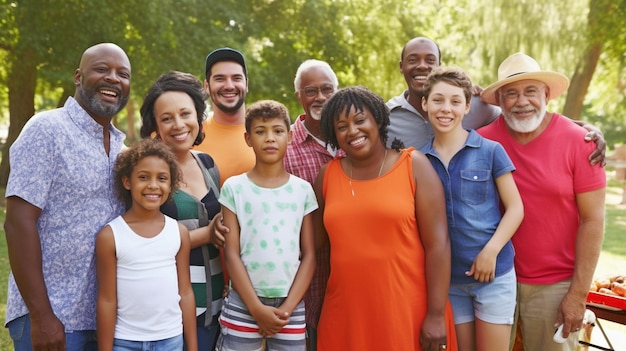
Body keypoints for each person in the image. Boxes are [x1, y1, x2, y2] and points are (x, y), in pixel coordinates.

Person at [3, 43, 130, 351]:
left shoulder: (123, 151)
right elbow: (18, 222)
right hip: (52, 316)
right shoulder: (47, 129)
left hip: (104, 320)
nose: (113, 78)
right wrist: (42, 316)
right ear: (78, 76)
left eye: (123, 74)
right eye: (102, 69)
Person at [477, 52, 606, 350]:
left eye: (531, 91)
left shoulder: (579, 142)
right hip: (493, 282)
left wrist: (577, 295)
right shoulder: (482, 142)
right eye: (511, 93)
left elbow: (593, 220)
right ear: (499, 100)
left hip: (556, 287)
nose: (522, 101)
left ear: (546, 94)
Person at [315, 86, 458, 351]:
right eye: (342, 126)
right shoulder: (327, 176)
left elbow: (438, 245)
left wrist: (436, 314)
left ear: (378, 120)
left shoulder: (413, 165)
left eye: (360, 120)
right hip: (346, 316)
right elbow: (309, 246)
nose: (353, 131)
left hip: (407, 311)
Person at [420, 67, 524, 351]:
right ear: (425, 103)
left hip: (494, 276)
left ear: (467, 107)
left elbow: (516, 208)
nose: (446, 109)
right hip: (448, 282)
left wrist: (490, 252)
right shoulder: (418, 160)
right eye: (438, 100)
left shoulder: (490, 151)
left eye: (455, 101)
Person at [387, 37, 606, 166]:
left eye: (430, 60)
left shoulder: (475, 106)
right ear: (401, 66)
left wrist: (581, 127)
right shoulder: (385, 116)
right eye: (413, 60)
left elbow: (523, 116)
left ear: (440, 65)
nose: (422, 66)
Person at [216, 100, 317, 351]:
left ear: (290, 136)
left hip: (290, 305)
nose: (269, 138)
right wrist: (255, 308)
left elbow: (310, 255)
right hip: (243, 301)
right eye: (260, 131)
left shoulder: (303, 190)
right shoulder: (234, 188)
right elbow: (231, 253)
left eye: (277, 131)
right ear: (248, 138)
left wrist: (287, 307)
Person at [139, 71, 224, 350]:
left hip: (216, 307)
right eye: (167, 118)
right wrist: (207, 233)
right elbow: (145, 240)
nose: (179, 125)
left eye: (185, 114)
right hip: (172, 311)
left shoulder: (208, 164)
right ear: (156, 127)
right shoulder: (149, 175)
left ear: (198, 118)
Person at [95, 138, 198, 351]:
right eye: (143, 177)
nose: (153, 185)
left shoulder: (178, 233)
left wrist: (193, 346)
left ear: (171, 185)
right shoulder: (110, 236)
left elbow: (186, 292)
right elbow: (106, 300)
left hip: (171, 340)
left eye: (162, 178)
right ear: (127, 182)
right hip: (125, 341)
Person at [284, 59, 345, 351]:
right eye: (311, 91)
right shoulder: (285, 151)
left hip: (351, 284)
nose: (320, 97)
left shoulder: (355, 141)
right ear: (299, 96)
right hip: (305, 288)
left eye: (327, 89)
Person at [194, 47, 255, 185]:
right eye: (220, 79)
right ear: (207, 86)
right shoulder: (192, 135)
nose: (229, 86)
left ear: (246, 84)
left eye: (236, 78)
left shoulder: (269, 134)